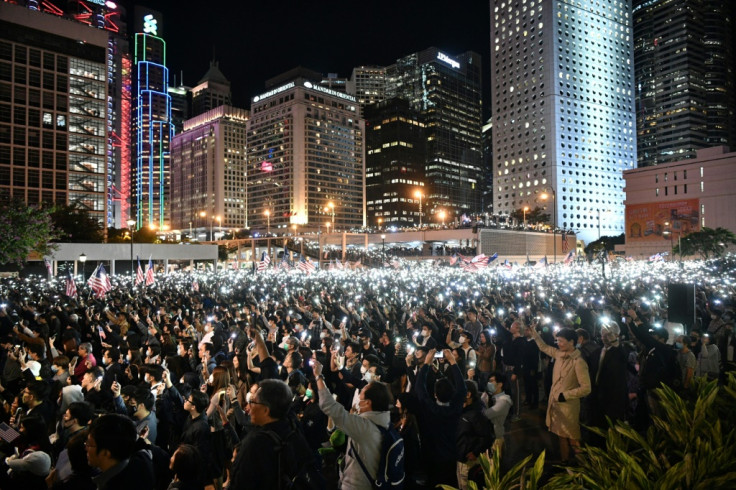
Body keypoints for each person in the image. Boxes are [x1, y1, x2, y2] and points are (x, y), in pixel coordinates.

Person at [314, 358, 392, 490]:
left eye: (361, 398)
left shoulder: (365, 427)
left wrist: (318, 376)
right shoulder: (385, 421)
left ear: (368, 403)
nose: (358, 402)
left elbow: (329, 406)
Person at [229, 378, 318, 489]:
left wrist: (236, 462)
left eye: (253, 402)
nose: (249, 406)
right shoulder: (293, 429)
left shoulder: (255, 442)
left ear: (266, 410)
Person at [530, 325, 591, 463]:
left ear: (572, 342)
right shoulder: (559, 354)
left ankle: (582, 467)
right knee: (560, 436)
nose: (559, 344)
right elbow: (544, 347)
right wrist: (534, 333)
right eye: (558, 341)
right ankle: (565, 463)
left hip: (568, 407)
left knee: (573, 438)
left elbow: (586, 388)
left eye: (562, 341)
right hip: (555, 404)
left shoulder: (578, 362)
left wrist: (565, 395)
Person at [415, 348, 467, 487]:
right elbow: (462, 389)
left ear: (435, 395)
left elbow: (419, 388)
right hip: (451, 454)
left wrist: (426, 363)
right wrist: (452, 361)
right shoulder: (456, 408)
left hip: (431, 455)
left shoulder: (430, 409)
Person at [85, 413, 155, 490]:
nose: (86, 448)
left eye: (89, 444)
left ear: (106, 453)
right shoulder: (142, 461)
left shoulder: (113, 485)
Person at [481, 371, 513, 451]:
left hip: (495, 440)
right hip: (486, 437)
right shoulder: (490, 396)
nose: (489, 383)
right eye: (488, 381)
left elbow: (484, 415)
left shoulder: (503, 401)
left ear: (500, 385)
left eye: (491, 381)